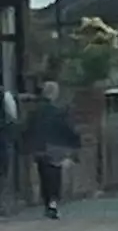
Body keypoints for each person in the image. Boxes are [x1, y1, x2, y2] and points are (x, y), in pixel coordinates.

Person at [21, 81, 80, 219]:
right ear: (54, 94)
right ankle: (52, 203)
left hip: (39, 148)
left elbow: (27, 129)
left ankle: (47, 202)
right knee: (54, 176)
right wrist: (75, 143)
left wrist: (27, 145)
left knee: (43, 175)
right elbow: (66, 129)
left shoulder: (35, 111)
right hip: (54, 148)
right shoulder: (57, 111)